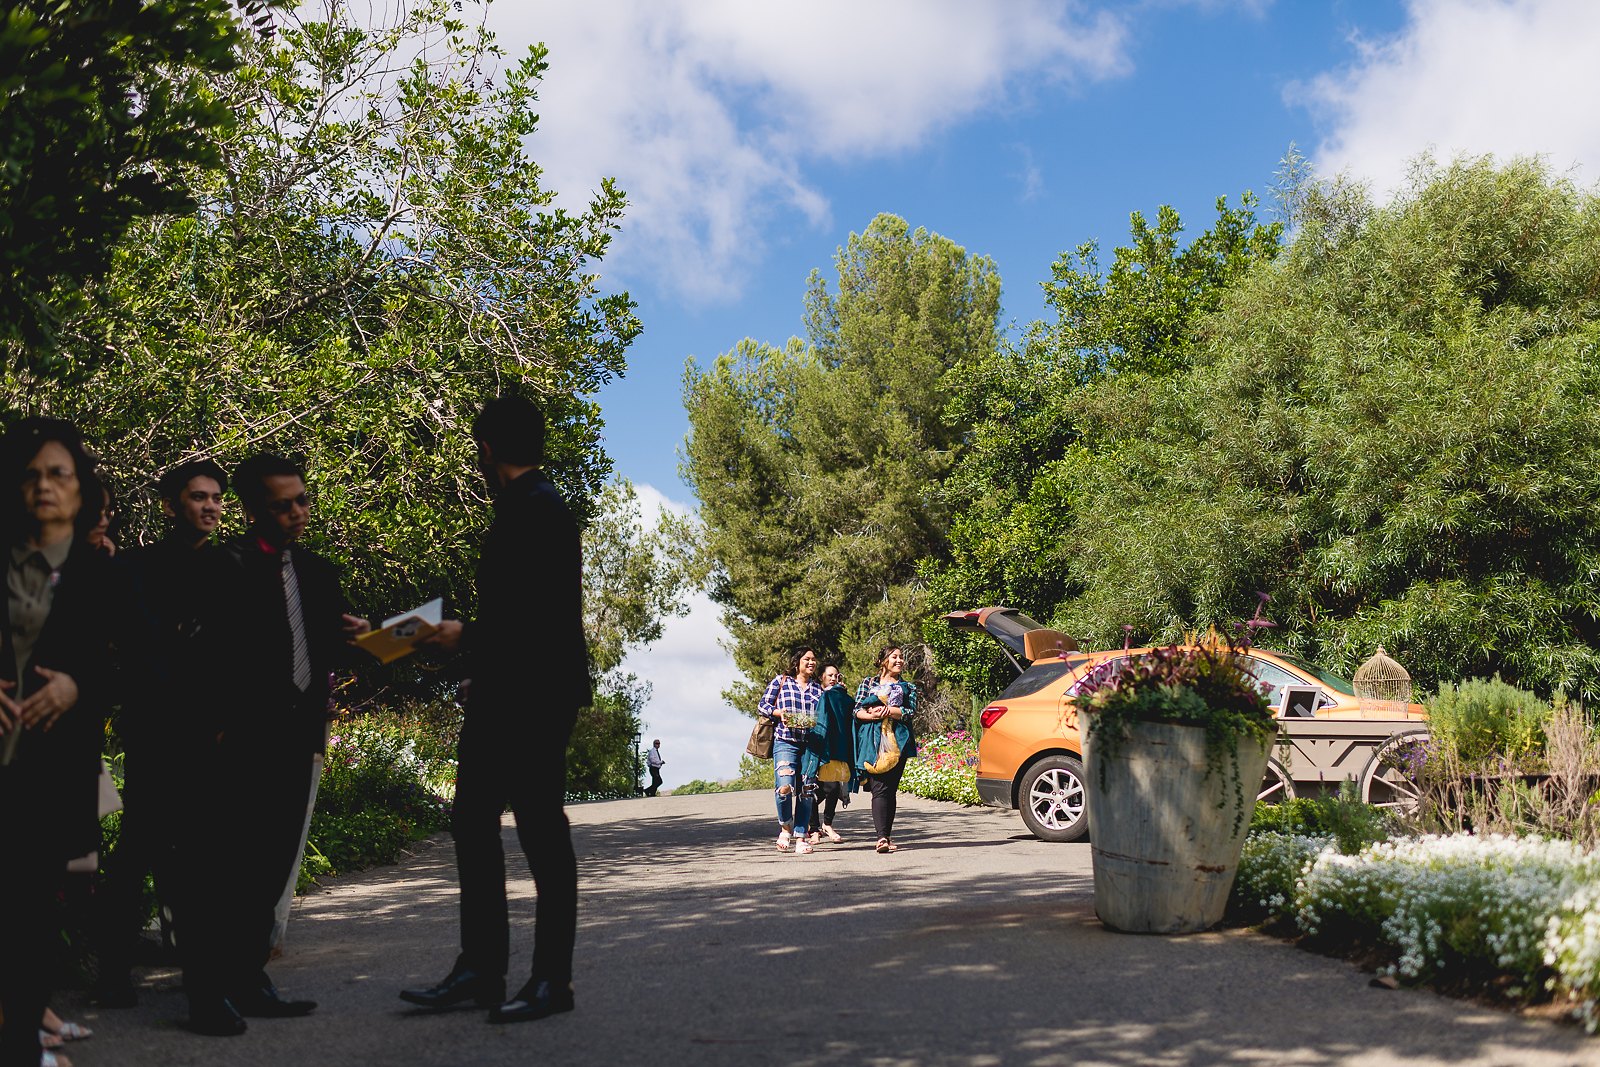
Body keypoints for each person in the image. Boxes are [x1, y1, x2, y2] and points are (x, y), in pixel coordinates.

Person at [400, 394, 590, 1025]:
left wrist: (465, 638)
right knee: (473, 820)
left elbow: (537, 619)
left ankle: (551, 981)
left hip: (535, 699)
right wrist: (482, 672)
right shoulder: (529, 505)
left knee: (539, 831)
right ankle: (482, 969)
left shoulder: (536, 509)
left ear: (486, 451)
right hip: (508, 691)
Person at [183, 453, 368, 1036]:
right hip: (237, 741)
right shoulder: (222, 566)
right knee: (224, 869)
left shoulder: (317, 571)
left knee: (270, 867)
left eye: (302, 500)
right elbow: (197, 655)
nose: (296, 513)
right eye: (281, 504)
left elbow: (328, 652)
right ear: (254, 508)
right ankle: (205, 993)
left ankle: (247, 978)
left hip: (297, 740)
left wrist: (369, 637)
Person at [0, 419, 117, 1067]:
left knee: (34, 911)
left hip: (49, 765)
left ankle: (23, 1044)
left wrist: (76, 684)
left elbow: (125, 665)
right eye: (31, 473)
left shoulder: (103, 574)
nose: (43, 485)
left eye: (58, 473)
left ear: (81, 490)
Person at [94, 460, 230, 1007]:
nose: (210, 506)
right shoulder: (135, 568)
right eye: (198, 497)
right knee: (140, 850)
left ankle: (202, 978)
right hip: (156, 730)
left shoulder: (229, 567)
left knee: (200, 853)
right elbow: (136, 648)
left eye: (216, 497)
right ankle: (113, 971)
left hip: (214, 734)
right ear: (172, 505)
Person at [854, 645, 918, 854]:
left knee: (889, 789)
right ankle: (881, 837)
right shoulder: (868, 683)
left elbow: (910, 712)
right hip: (872, 740)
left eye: (901, 657)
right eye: (894, 657)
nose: (899, 660)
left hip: (897, 741)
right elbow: (856, 710)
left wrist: (889, 710)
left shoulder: (908, 686)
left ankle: (886, 835)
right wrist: (872, 714)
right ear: (883, 661)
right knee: (879, 788)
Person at [758, 648, 821, 855]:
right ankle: (786, 828)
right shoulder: (781, 681)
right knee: (785, 787)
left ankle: (801, 837)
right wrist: (779, 713)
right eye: (807, 659)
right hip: (785, 741)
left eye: (813, 660)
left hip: (810, 744)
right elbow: (763, 705)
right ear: (797, 662)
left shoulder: (817, 689)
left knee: (807, 791)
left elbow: (823, 716)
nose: (811, 663)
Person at [805, 664, 856, 844]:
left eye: (836, 675)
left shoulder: (836, 697)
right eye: (830, 675)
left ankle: (827, 824)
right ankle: (813, 829)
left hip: (832, 748)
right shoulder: (815, 694)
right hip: (812, 746)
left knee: (832, 788)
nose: (833, 678)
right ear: (821, 677)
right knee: (809, 788)